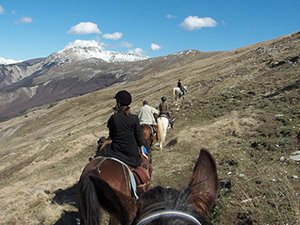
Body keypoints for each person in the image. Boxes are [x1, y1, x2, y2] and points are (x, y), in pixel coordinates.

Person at [104, 90, 148, 167]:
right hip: (131, 154)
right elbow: (139, 137)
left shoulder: (113, 118)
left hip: (115, 152)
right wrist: (142, 152)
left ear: (118, 103)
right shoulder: (134, 118)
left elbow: (112, 136)